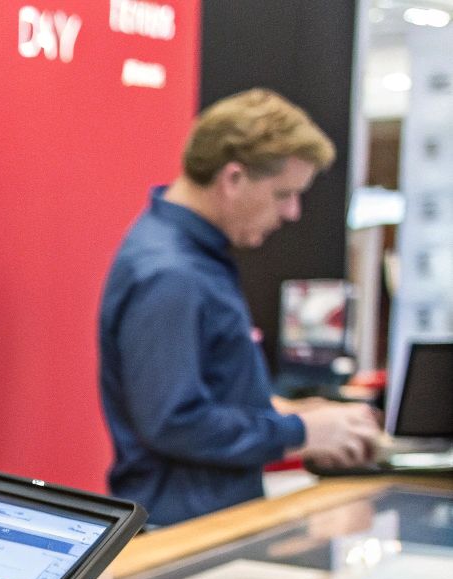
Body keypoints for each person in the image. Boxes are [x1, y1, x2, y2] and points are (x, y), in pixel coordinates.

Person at [99, 88, 381, 526]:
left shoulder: (193, 257)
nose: (292, 212)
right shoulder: (172, 273)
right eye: (283, 194)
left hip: (202, 517)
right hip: (181, 532)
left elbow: (207, 393)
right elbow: (174, 422)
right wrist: (303, 433)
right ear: (233, 179)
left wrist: (300, 414)